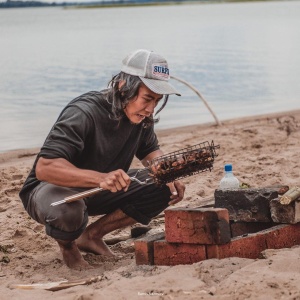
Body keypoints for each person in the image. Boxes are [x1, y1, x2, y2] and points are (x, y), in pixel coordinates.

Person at [19, 49, 185, 270]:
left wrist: (167, 170)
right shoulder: (84, 112)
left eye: (157, 100)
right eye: (147, 98)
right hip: (51, 190)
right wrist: (100, 178)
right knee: (69, 211)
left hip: (100, 188)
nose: (151, 108)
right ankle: (69, 247)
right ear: (123, 86)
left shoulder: (143, 117)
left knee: (163, 185)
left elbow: (150, 152)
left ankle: (90, 236)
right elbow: (45, 168)